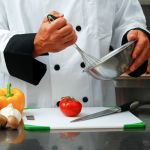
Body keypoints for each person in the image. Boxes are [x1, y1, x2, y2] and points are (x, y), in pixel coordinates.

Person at [0, 0, 150, 108]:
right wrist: (35, 44)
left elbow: (128, 21)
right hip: (29, 112)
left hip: (97, 116)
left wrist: (134, 35)